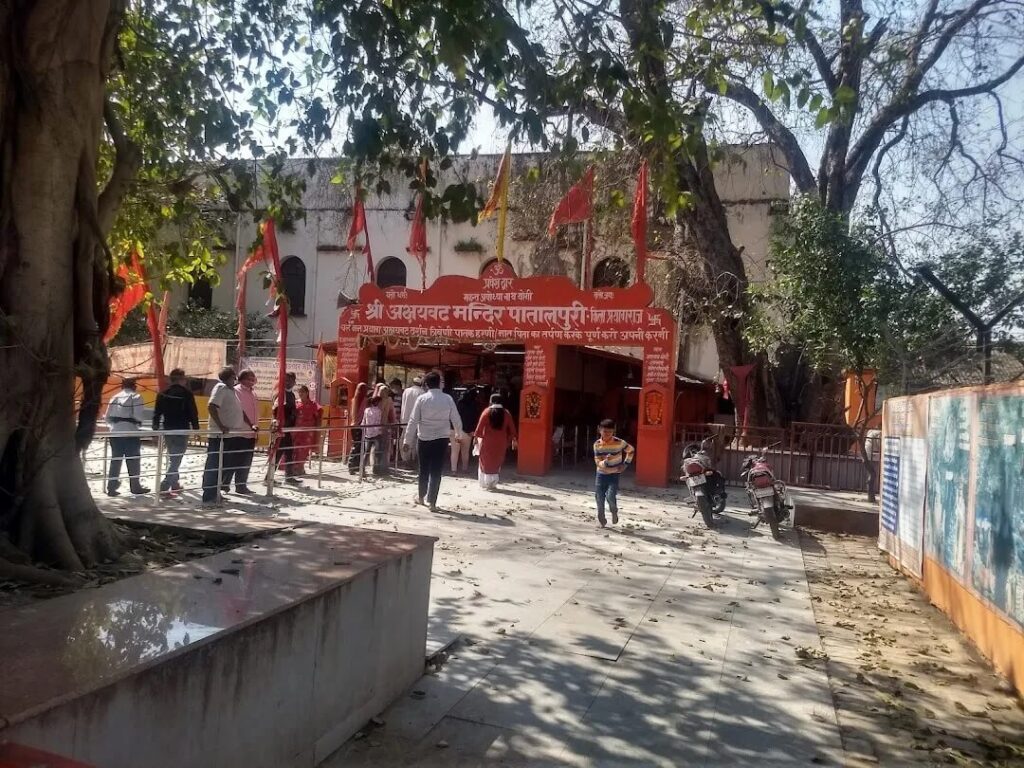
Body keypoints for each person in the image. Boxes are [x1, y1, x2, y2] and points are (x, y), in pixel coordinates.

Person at [402, 371, 462, 512]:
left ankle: (421, 497)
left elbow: (413, 421)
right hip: (441, 440)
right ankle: (433, 502)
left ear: (427, 384)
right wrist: (458, 433)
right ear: (439, 383)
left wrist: (407, 440)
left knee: (423, 469)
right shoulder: (447, 399)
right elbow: (456, 418)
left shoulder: (422, 399)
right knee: (436, 471)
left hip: (424, 439)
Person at [202, 367, 248, 504]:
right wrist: (221, 425)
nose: (235, 380)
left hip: (229, 435)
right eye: (233, 377)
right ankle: (209, 494)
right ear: (229, 377)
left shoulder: (231, 391)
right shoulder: (221, 388)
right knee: (214, 464)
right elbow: (211, 406)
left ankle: (215, 492)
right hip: (219, 436)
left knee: (222, 465)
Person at [152, 368, 200, 494]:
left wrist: (155, 429)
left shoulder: (163, 393)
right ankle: (165, 484)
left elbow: (157, 413)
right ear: (181, 379)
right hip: (182, 428)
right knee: (176, 458)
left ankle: (175, 483)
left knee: (173, 456)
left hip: (167, 428)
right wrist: (196, 429)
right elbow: (193, 413)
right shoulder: (187, 393)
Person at [105, 377, 149, 496]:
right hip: (130, 431)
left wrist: (113, 425)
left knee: (116, 460)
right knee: (133, 460)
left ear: (122, 386)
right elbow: (138, 416)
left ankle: (111, 486)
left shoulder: (115, 397)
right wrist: (137, 423)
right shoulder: (136, 397)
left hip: (115, 432)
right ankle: (135, 486)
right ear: (134, 386)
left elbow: (107, 417)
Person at [593, 418, 635, 528]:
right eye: (604, 431)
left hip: (614, 474)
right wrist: (605, 462)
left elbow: (631, 450)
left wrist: (625, 464)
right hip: (601, 475)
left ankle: (614, 510)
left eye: (610, 432)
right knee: (599, 497)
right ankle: (601, 517)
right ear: (599, 430)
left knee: (611, 496)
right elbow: (597, 461)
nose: (607, 434)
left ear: (613, 432)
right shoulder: (597, 445)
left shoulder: (619, 443)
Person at [474, 394, 518, 490]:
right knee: (497, 461)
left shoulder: (486, 412)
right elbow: (513, 430)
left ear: (491, 401)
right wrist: (510, 440)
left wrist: (476, 439)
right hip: (501, 442)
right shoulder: (506, 413)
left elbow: (479, 429)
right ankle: (493, 483)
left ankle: (484, 483)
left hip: (487, 442)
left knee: (484, 461)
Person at [232, 369, 260, 494]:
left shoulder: (253, 393)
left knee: (246, 460)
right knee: (235, 459)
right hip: (240, 431)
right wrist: (251, 424)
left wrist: (255, 428)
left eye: (252, 378)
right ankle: (225, 483)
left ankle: (241, 485)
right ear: (241, 378)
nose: (251, 380)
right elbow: (240, 411)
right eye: (249, 378)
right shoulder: (236, 390)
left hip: (252, 433)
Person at [273, 372, 299, 483]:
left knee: (289, 452)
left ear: (294, 382)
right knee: (277, 453)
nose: (288, 382)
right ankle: (268, 477)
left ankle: (289, 476)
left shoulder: (292, 395)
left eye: (290, 380)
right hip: (281, 428)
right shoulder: (280, 394)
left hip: (289, 428)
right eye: (286, 380)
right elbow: (275, 410)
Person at [293, 385, 322, 475]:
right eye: (299, 392)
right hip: (296, 431)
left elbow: (318, 416)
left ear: (307, 393)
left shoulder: (313, 404)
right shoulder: (296, 403)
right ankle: (296, 468)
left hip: (308, 432)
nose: (300, 393)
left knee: (304, 451)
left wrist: (317, 428)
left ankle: (300, 467)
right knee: (295, 450)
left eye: (302, 392)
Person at [451, 388, 480, 474]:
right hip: (467, 431)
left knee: (454, 452)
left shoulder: (458, 404)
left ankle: (453, 470)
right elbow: (475, 419)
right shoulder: (474, 406)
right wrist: (472, 430)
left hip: (456, 430)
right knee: (465, 452)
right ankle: (464, 469)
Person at [400, 375, 425, 465]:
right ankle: (413, 458)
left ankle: (405, 459)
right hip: (417, 420)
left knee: (405, 439)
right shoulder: (422, 392)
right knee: (415, 441)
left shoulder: (406, 391)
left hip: (405, 419)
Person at [360, 395, 386, 474]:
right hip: (376, 434)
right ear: (377, 402)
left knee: (366, 452)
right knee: (377, 452)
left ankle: (362, 469)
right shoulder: (378, 411)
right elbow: (377, 423)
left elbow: (363, 421)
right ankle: (376, 469)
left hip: (368, 433)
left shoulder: (367, 410)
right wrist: (380, 431)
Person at [375, 382, 397, 472]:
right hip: (384, 427)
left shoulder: (374, 400)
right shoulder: (389, 400)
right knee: (384, 448)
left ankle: (376, 467)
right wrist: (393, 424)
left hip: (375, 427)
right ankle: (383, 467)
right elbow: (392, 414)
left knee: (377, 447)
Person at [347, 382, 369, 474]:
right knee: (360, 447)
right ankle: (353, 465)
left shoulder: (354, 399)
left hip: (353, 425)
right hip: (361, 426)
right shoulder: (365, 400)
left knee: (356, 445)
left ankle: (353, 465)